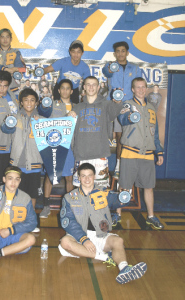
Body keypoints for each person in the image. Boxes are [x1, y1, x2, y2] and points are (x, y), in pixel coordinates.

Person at [59, 163, 147, 284]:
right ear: (78, 178)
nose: (87, 179)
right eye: (83, 176)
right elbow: (68, 221)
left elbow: (117, 201)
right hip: (80, 236)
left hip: (100, 234)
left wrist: (123, 197)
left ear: (94, 176)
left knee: (118, 241)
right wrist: (84, 239)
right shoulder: (69, 197)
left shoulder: (104, 193)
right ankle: (105, 257)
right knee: (65, 242)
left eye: (90, 175)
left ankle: (124, 268)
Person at [113, 77, 164, 229]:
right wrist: (130, 117)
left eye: (143, 87)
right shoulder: (127, 105)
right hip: (130, 152)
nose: (141, 90)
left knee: (149, 187)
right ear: (133, 89)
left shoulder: (151, 108)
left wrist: (159, 152)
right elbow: (122, 119)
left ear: (146, 89)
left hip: (148, 154)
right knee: (123, 186)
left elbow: (154, 133)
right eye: (138, 87)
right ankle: (117, 214)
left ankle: (151, 216)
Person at [68, 76, 123, 188]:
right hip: (81, 155)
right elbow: (66, 127)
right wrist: (68, 116)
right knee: (81, 189)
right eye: (88, 84)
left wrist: (118, 102)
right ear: (84, 87)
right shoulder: (77, 107)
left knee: (101, 190)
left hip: (100, 155)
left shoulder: (106, 104)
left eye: (94, 84)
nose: (91, 87)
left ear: (98, 87)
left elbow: (115, 112)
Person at [2, 88, 43, 232]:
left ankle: (31, 222)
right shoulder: (14, 118)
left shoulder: (42, 120)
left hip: (34, 164)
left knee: (32, 196)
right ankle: (12, 220)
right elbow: (5, 129)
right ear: (21, 102)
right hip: (16, 164)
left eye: (32, 100)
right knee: (14, 194)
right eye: (26, 100)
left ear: (37, 102)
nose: (29, 103)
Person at [102, 41, 142, 179]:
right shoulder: (111, 67)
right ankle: (118, 165)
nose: (120, 53)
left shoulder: (136, 69)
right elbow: (105, 72)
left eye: (123, 51)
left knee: (131, 139)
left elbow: (139, 86)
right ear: (114, 53)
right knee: (119, 137)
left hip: (130, 108)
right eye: (117, 51)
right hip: (114, 107)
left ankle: (129, 166)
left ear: (127, 52)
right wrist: (110, 68)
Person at [38, 79, 75, 218]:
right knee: (50, 176)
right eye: (62, 88)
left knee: (69, 178)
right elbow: (42, 116)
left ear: (71, 91)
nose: (65, 91)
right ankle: (46, 206)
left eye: (68, 88)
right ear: (59, 91)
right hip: (54, 146)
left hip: (70, 147)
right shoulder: (52, 105)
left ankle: (69, 207)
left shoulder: (76, 107)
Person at [43, 40, 91, 104]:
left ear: (82, 53)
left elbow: (89, 82)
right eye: (73, 52)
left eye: (78, 52)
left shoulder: (85, 67)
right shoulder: (63, 62)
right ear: (70, 52)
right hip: (60, 89)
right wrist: (40, 71)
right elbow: (47, 69)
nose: (76, 54)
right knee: (58, 110)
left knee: (74, 111)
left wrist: (86, 92)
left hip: (74, 90)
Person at [0, 28, 25, 94]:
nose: (5, 39)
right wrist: (5, 69)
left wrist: (15, 69)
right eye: (2, 37)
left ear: (11, 39)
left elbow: (22, 69)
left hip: (13, 90)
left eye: (7, 37)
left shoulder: (16, 52)